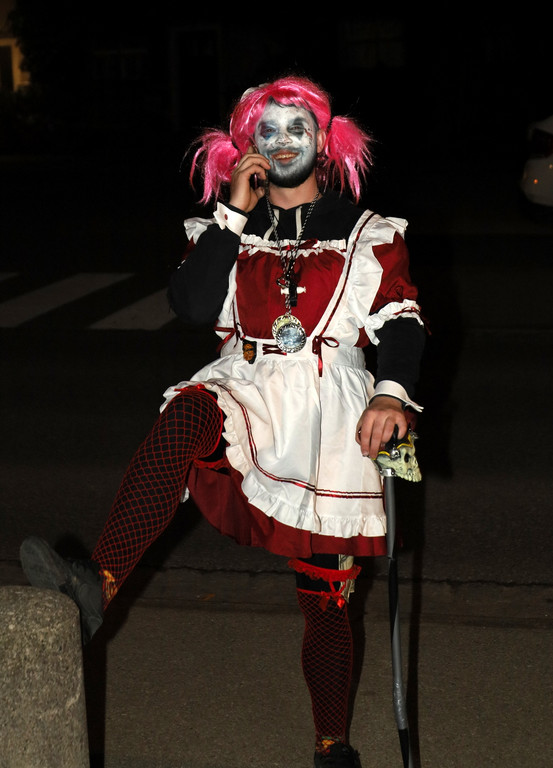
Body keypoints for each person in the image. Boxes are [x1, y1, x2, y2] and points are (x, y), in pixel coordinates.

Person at [20, 75, 426, 768]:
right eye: (268, 131)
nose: (284, 142)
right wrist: (233, 212)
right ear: (245, 147)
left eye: (298, 128)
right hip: (247, 388)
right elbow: (190, 304)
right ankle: (98, 583)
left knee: (325, 598)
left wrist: (391, 394)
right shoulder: (227, 229)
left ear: (326, 139)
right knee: (186, 413)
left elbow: (403, 321)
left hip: (329, 418)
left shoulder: (369, 233)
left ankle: (332, 743)